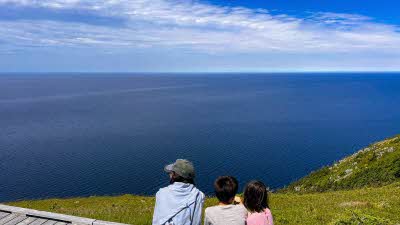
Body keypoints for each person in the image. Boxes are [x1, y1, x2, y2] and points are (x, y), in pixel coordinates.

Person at [152, 159, 205, 225]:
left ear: (173, 175)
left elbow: (156, 221)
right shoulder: (199, 196)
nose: (169, 174)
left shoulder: (161, 193)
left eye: (170, 172)